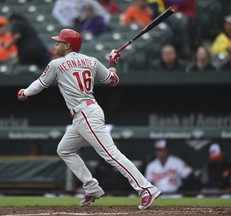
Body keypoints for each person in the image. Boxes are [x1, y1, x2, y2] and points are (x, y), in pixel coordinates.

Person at [17, 28, 161, 209]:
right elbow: (112, 80)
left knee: (111, 154)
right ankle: (92, 187)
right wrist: (112, 62)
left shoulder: (56, 64)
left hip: (86, 114)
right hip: (86, 114)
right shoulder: (91, 61)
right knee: (65, 149)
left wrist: (24, 92)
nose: (56, 44)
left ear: (68, 45)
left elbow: (40, 84)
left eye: (59, 42)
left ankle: (146, 188)